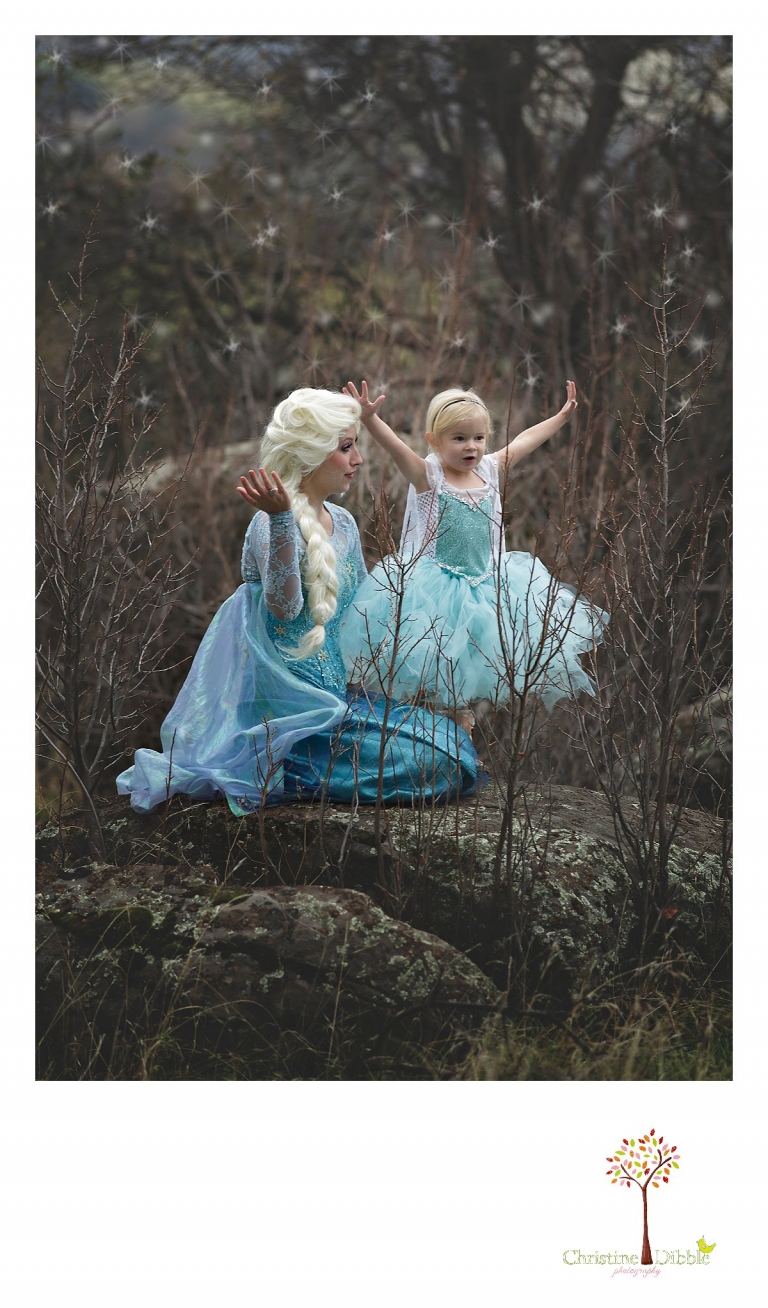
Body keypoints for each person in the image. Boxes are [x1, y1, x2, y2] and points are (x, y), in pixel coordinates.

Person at [116, 387, 480, 815]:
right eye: (346, 448)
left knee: (450, 741)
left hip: (339, 701)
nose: (358, 460)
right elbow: (285, 609)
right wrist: (280, 519)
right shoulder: (267, 524)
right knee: (436, 762)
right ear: (310, 455)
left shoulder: (342, 522)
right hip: (291, 717)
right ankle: (280, 768)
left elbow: (363, 616)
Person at [339, 380, 609, 736]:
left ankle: (461, 745)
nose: (471, 446)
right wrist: (370, 419)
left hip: (487, 588)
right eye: (459, 438)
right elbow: (395, 447)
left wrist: (560, 417)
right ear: (434, 440)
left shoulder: (490, 470)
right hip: (435, 593)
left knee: (468, 679)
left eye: (479, 438)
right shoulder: (429, 476)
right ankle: (429, 742)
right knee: (435, 677)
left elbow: (525, 440)